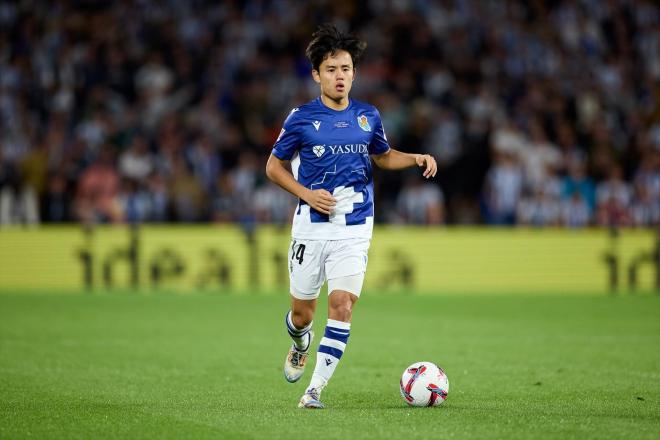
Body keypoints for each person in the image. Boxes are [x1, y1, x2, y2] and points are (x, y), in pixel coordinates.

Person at [265, 24, 437, 409]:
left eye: (345, 68)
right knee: (302, 313)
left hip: (356, 226)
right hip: (311, 227)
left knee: (342, 304)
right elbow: (273, 168)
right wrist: (306, 193)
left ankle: (314, 390)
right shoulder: (301, 119)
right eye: (330, 69)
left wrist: (415, 158)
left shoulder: (368, 116)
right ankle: (299, 343)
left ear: (354, 73)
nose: (339, 76)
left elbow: (381, 155)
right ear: (316, 75)